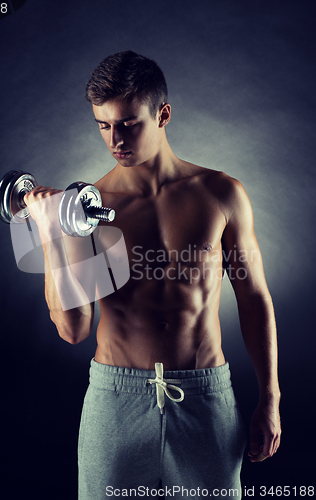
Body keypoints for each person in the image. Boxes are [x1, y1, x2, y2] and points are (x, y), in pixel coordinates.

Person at [24, 51, 281, 499]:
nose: (115, 139)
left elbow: (254, 297)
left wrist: (271, 398)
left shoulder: (221, 194)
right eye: (103, 126)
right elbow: (72, 329)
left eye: (127, 124)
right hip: (115, 399)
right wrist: (51, 233)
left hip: (204, 396)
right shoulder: (87, 210)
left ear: (162, 114)